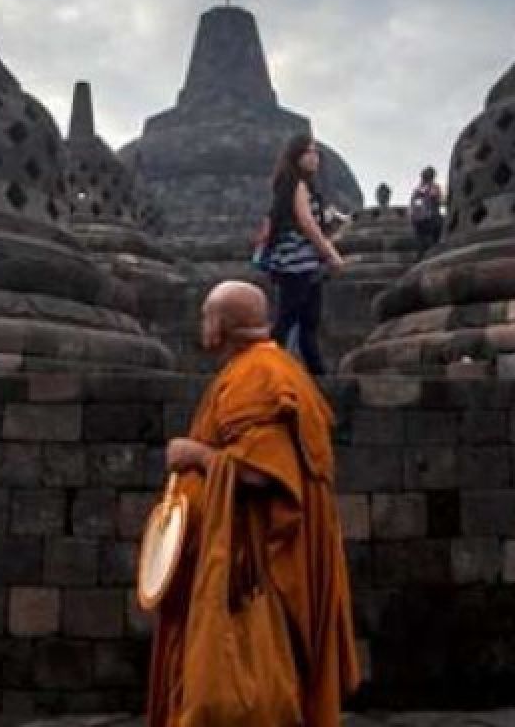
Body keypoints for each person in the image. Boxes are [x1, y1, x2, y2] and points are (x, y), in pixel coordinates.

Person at [147, 280, 360, 727]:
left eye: (208, 314)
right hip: (242, 555)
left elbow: (264, 471)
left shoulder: (261, 375)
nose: (202, 322)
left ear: (223, 324)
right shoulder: (254, 369)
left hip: (256, 566)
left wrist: (194, 455)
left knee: (248, 685)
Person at [261, 134, 345, 376]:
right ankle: (265, 369)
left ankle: (319, 376)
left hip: (304, 264)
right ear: (297, 156)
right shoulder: (297, 184)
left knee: (308, 323)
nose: (315, 157)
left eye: (317, 152)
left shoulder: (296, 185)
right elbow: (306, 223)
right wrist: (331, 254)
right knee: (287, 321)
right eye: (310, 152)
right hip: (296, 264)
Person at [409, 166, 444, 258]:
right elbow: (416, 203)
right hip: (424, 219)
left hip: (429, 217)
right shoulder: (421, 189)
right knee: (424, 240)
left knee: (430, 239)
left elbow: (437, 199)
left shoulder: (432, 187)